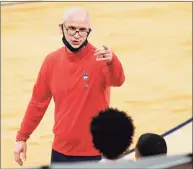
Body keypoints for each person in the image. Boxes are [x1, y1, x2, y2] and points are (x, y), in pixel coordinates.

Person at [14, 7, 125, 166]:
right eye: (72, 29)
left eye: (82, 30)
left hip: (96, 152)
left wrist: (112, 61)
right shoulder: (51, 61)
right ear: (61, 28)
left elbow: (118, 80)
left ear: (88, 31)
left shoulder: (101, 59)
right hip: (61, 151)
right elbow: (37, 103)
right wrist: (22, 137)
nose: (77, 35)